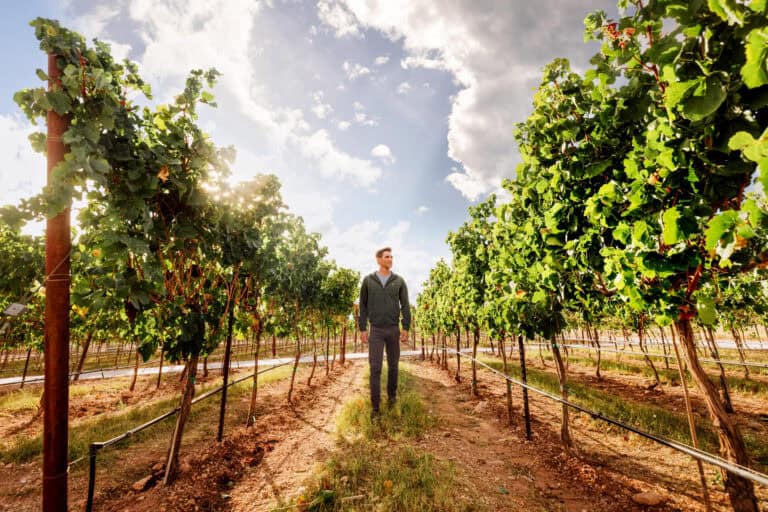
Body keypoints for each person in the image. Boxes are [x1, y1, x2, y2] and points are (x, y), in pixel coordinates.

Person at [359, 247, 411, 418]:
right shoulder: (368, 281)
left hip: (393, 330)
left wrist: (406, 327)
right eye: (387, 257)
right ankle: (375, 407)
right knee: (375, 368)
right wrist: (362, 328)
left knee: (394, 366)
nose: (390, 259)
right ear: (378, 259)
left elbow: (405, 305)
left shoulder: (399, 281)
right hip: (376, 331)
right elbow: (363, 306)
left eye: (391, 257)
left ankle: (392, 400)